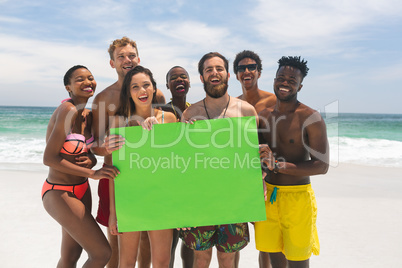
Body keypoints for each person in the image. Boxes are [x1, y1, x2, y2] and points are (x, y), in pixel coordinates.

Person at [91, 36, 166, 268]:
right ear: (112, 63)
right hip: (116, 174)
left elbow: (166, 137)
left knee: (147, 239)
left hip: (150, 176)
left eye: (131, 55)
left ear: (138, 58)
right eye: (120, 56)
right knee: (117, 238)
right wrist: (107, 147)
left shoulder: (157, 95)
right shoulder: (104, 98)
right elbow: (95, 144)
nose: (127, 60)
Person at [180, 52, 258, 268]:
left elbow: (252, 159)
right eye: (208, 70)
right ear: (202, 77)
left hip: (234, 198)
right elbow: (183, 164)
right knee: (201, 257)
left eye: (219, 68)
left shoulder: (247, 111)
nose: (214, 73)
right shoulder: (190, 114)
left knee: (227, 257)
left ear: (228, 74)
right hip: (200, 198)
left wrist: (254, 197)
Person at [42, 65, 121, 267]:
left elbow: (90, 152)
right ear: (68, 87)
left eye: (91, 78)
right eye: (80, 79)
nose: (87, 82)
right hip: (59, 192)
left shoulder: (88, 114)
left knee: (71, 256)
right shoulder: (66, 110)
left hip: (82, 190)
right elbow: (50, 158)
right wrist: (93, 172)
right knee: (102, 253)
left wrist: (92, 161)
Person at [257, 56, 329, 268]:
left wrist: (277, 165)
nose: (285, 83)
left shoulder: (310, 117)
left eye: (291, 79)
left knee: (298, 262)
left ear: (300, 85)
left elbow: (321, 166)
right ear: (274, 80)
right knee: (274, 259)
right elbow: (257, 158)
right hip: (268, 197)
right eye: (281, 78)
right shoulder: (263, 116)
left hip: (297, 198)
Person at [108, 65, 177, 268]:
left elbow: (178, 164)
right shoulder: (119, 123)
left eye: (146, 85)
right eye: (135, 87)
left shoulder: (169, 118)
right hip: (130, 198)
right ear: (128, 93)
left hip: (161, 198)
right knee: (127, 262)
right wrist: (114, 213)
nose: (142, 91)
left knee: (162, 262)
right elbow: (115, 172)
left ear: (154, 88)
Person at [233, 50, 275, 268]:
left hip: (269, 178)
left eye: (251, 67)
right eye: (241, 68)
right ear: (236, 75)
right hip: (242, 178)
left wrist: (269, 172)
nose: (247, 71)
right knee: (236, 239)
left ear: (259, 72)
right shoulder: (233, 105)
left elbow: (285, 139)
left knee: (266, 242)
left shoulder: (274, 101)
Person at [160, 66, 194, 268]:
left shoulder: (198, 109)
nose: (179, 80)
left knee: (190, 241)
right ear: (167, 85)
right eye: (174, 78)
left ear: (190, 82)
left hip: (191, 182)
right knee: (169, 242)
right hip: (169, 184)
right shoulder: (162, 111)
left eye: (184, 77)